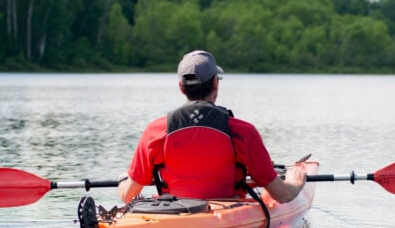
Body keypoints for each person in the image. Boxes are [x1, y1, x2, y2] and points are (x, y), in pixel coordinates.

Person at [118, 50, 307, 204]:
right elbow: (282, 195)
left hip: (173, 212)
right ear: (215, 83)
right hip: (227, 210)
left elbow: (128, 195)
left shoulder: (155, 131)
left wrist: (122, 181)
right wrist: (296, 181)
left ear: (181, 87)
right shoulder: (243, 132)